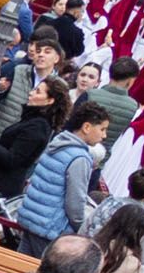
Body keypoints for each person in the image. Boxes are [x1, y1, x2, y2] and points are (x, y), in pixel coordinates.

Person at [13, 102, 118, 242]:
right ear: (86, 127)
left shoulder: (58, 143)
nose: (104, 135)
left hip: (30, 217)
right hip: (50, 227)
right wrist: (80, 229)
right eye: (102, 129)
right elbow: (75, 203)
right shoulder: (80, 158)